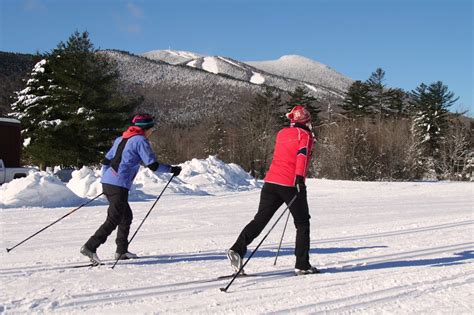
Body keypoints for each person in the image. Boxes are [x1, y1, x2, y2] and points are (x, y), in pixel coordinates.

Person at [227, 105, 319, 275]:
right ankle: (302, 264)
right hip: (291, 183)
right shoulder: (305, 135)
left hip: (271, 182)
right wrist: (299, 179)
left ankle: (237, 249)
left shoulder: (282, 133)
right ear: (306, 120)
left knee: (260, 220)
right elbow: (302, 155)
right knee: (302, 223)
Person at [80, 113, 182, 264]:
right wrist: (172, 169)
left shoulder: (121, 139)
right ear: (146, 129)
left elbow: (106, 160)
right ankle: (90, 246)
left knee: (125, 216)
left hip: (110, 181)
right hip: (118, 184)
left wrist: (106, 178)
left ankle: (121, 251)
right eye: (151, 129)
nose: (152, 131)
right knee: (114, 218)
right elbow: (152, 165)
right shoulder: (140, 140)